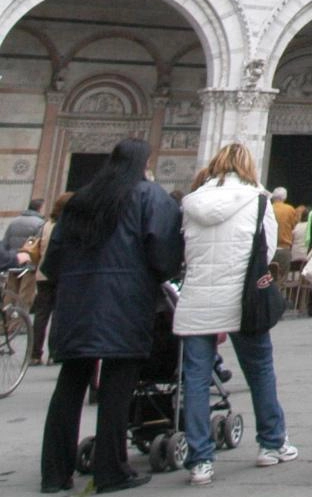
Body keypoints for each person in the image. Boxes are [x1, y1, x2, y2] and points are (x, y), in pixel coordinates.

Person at [39, 138, 182, 494]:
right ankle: (111, 470)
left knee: (69, 385)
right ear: (143, 163)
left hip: (75, 302)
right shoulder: (150, 197)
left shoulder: (79, 201)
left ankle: (54, 475)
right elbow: (164, 255)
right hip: (125, 301)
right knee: (118, 387)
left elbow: (53, 261)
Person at [174, 143, 297, 486]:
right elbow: (268, 249)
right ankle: (272, 444)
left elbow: (183, 247)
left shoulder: (191, 201)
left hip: (197, 299)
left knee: (196, 381)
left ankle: (200, 462)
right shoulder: (259, 201)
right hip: (243, 300)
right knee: (259, 371)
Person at [30, 192, 74, 366]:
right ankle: (54, 353)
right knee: (58, 313)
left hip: (43, 273)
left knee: (41, 315)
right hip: (61, 274)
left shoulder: (45, 225)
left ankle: (34, 353)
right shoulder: (68, 226)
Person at [3, 198, 45, 310]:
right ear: (40, 208)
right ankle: (18, 324)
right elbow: (39, 245)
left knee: (10, 294)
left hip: (13, 262)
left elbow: (5, 243)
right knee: (24, 296)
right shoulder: (40, 224)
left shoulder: (14, 222)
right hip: (29, 265)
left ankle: (5, 322)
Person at [270, 187, 299, 289]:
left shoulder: (268, 207)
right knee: (281, 281)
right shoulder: (289, 209)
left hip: (268, 247)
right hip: (283, 248)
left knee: (265, 279)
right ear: (285, 197)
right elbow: (294, 225)